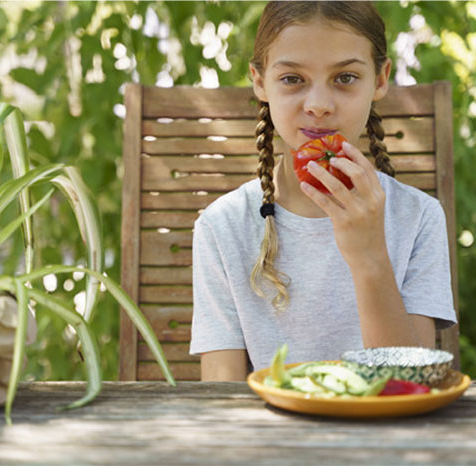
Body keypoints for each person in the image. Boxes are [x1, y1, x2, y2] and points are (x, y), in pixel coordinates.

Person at [189, 1, 457, 381]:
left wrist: (370, 258)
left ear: (380, 80)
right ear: (259, 81)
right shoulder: (222, 227)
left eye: (345, 77)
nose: (318, 106)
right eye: (292, 79)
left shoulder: (417, 217)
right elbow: (221, 397)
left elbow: (410, 385)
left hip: (384, 436)